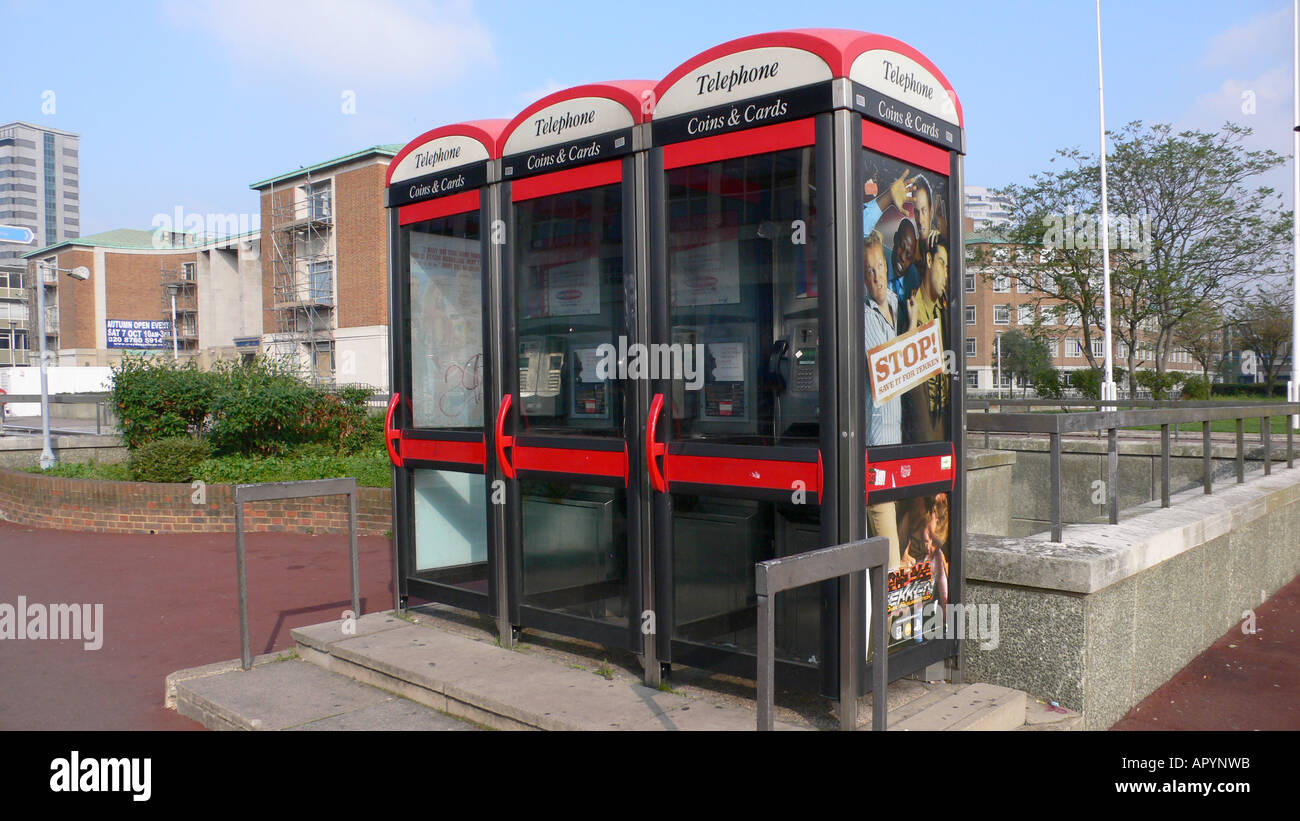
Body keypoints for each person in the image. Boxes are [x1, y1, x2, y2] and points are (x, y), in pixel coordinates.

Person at [863, 230, 902, 569]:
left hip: (901, 452)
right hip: (874, 451)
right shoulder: (859, 316)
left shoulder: (897, 303)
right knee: (890, 564)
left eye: (879, 267)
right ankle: (891, 624)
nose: (876, 276)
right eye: (869, 270)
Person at [903, 231, 950, 441]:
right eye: (942, 264)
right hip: (922, 425)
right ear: (929, 260)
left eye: (947, 267)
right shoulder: (912, 309)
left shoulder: (943, 310)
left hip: (943, 417)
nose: (945, 275)